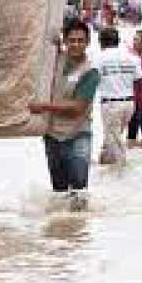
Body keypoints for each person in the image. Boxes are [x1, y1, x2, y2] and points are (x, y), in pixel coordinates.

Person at [29, 20, 100, 210]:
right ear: (65, 42)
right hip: (52, 134)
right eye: (72, 40)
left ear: (88, 42)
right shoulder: (54, 62)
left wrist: (43, 107)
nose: (76, 44)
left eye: (81, 40)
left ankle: (78, 231)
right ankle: (61, 232)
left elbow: (77, 108)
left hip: (78, 134)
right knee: (59, 191)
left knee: (79, 189)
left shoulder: (91, 72)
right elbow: (42, 41)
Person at [95, 27, 142, 165]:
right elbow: (141, 81)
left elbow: (91, 81)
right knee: (112, 137)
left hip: (110, 104)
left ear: (101, 42)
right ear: (118, 41)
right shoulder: (132, 58)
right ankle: (104, 164)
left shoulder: (99, 58)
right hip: (129, 104)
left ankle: (121, 170)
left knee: (114, 140)